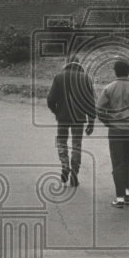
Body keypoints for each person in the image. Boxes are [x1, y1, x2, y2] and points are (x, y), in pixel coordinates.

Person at [96, 59, 129, 207]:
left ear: (115, 71)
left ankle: (119, 198)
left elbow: (99, 109)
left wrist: (108, 121)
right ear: (128, 71)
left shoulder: (109, 88)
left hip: (116, 131)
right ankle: (128, 194)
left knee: (118, 163)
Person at [46, 56, 95, 187]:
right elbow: (90, 102)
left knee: (61, 142)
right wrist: (91, 121)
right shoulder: (86, 78)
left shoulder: (59, 77)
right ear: (79, 64)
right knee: (76, 145)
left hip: (62, 117)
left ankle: (65, 165)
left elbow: (50, 99)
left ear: (67, 63)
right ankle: (74, 173)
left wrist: (56, 111)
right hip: (79, 118)